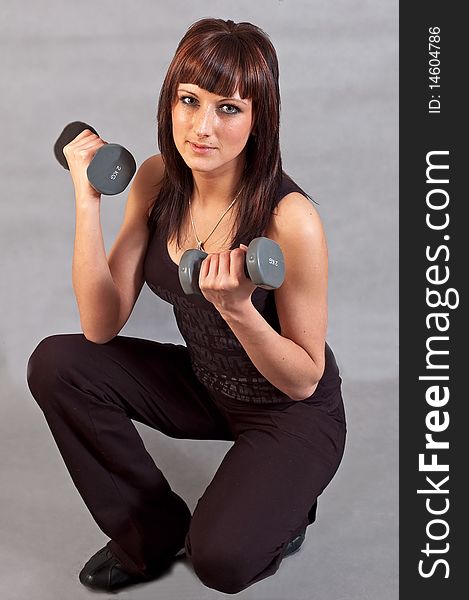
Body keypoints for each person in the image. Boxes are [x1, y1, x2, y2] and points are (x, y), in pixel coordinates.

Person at [27, 17, 346, 594]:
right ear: (169, 102)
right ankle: (150, 532)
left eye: (228, 108)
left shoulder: (289, 218)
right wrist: (86, 200)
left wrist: (240, 309)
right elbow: (100, 325)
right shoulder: (155, 181)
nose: (202, 127)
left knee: (220, 560)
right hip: (206, 383)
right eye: (189, 100)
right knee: (57, 363)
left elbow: (304, 379)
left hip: (289, 411)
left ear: (259, 119)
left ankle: (291, 505)